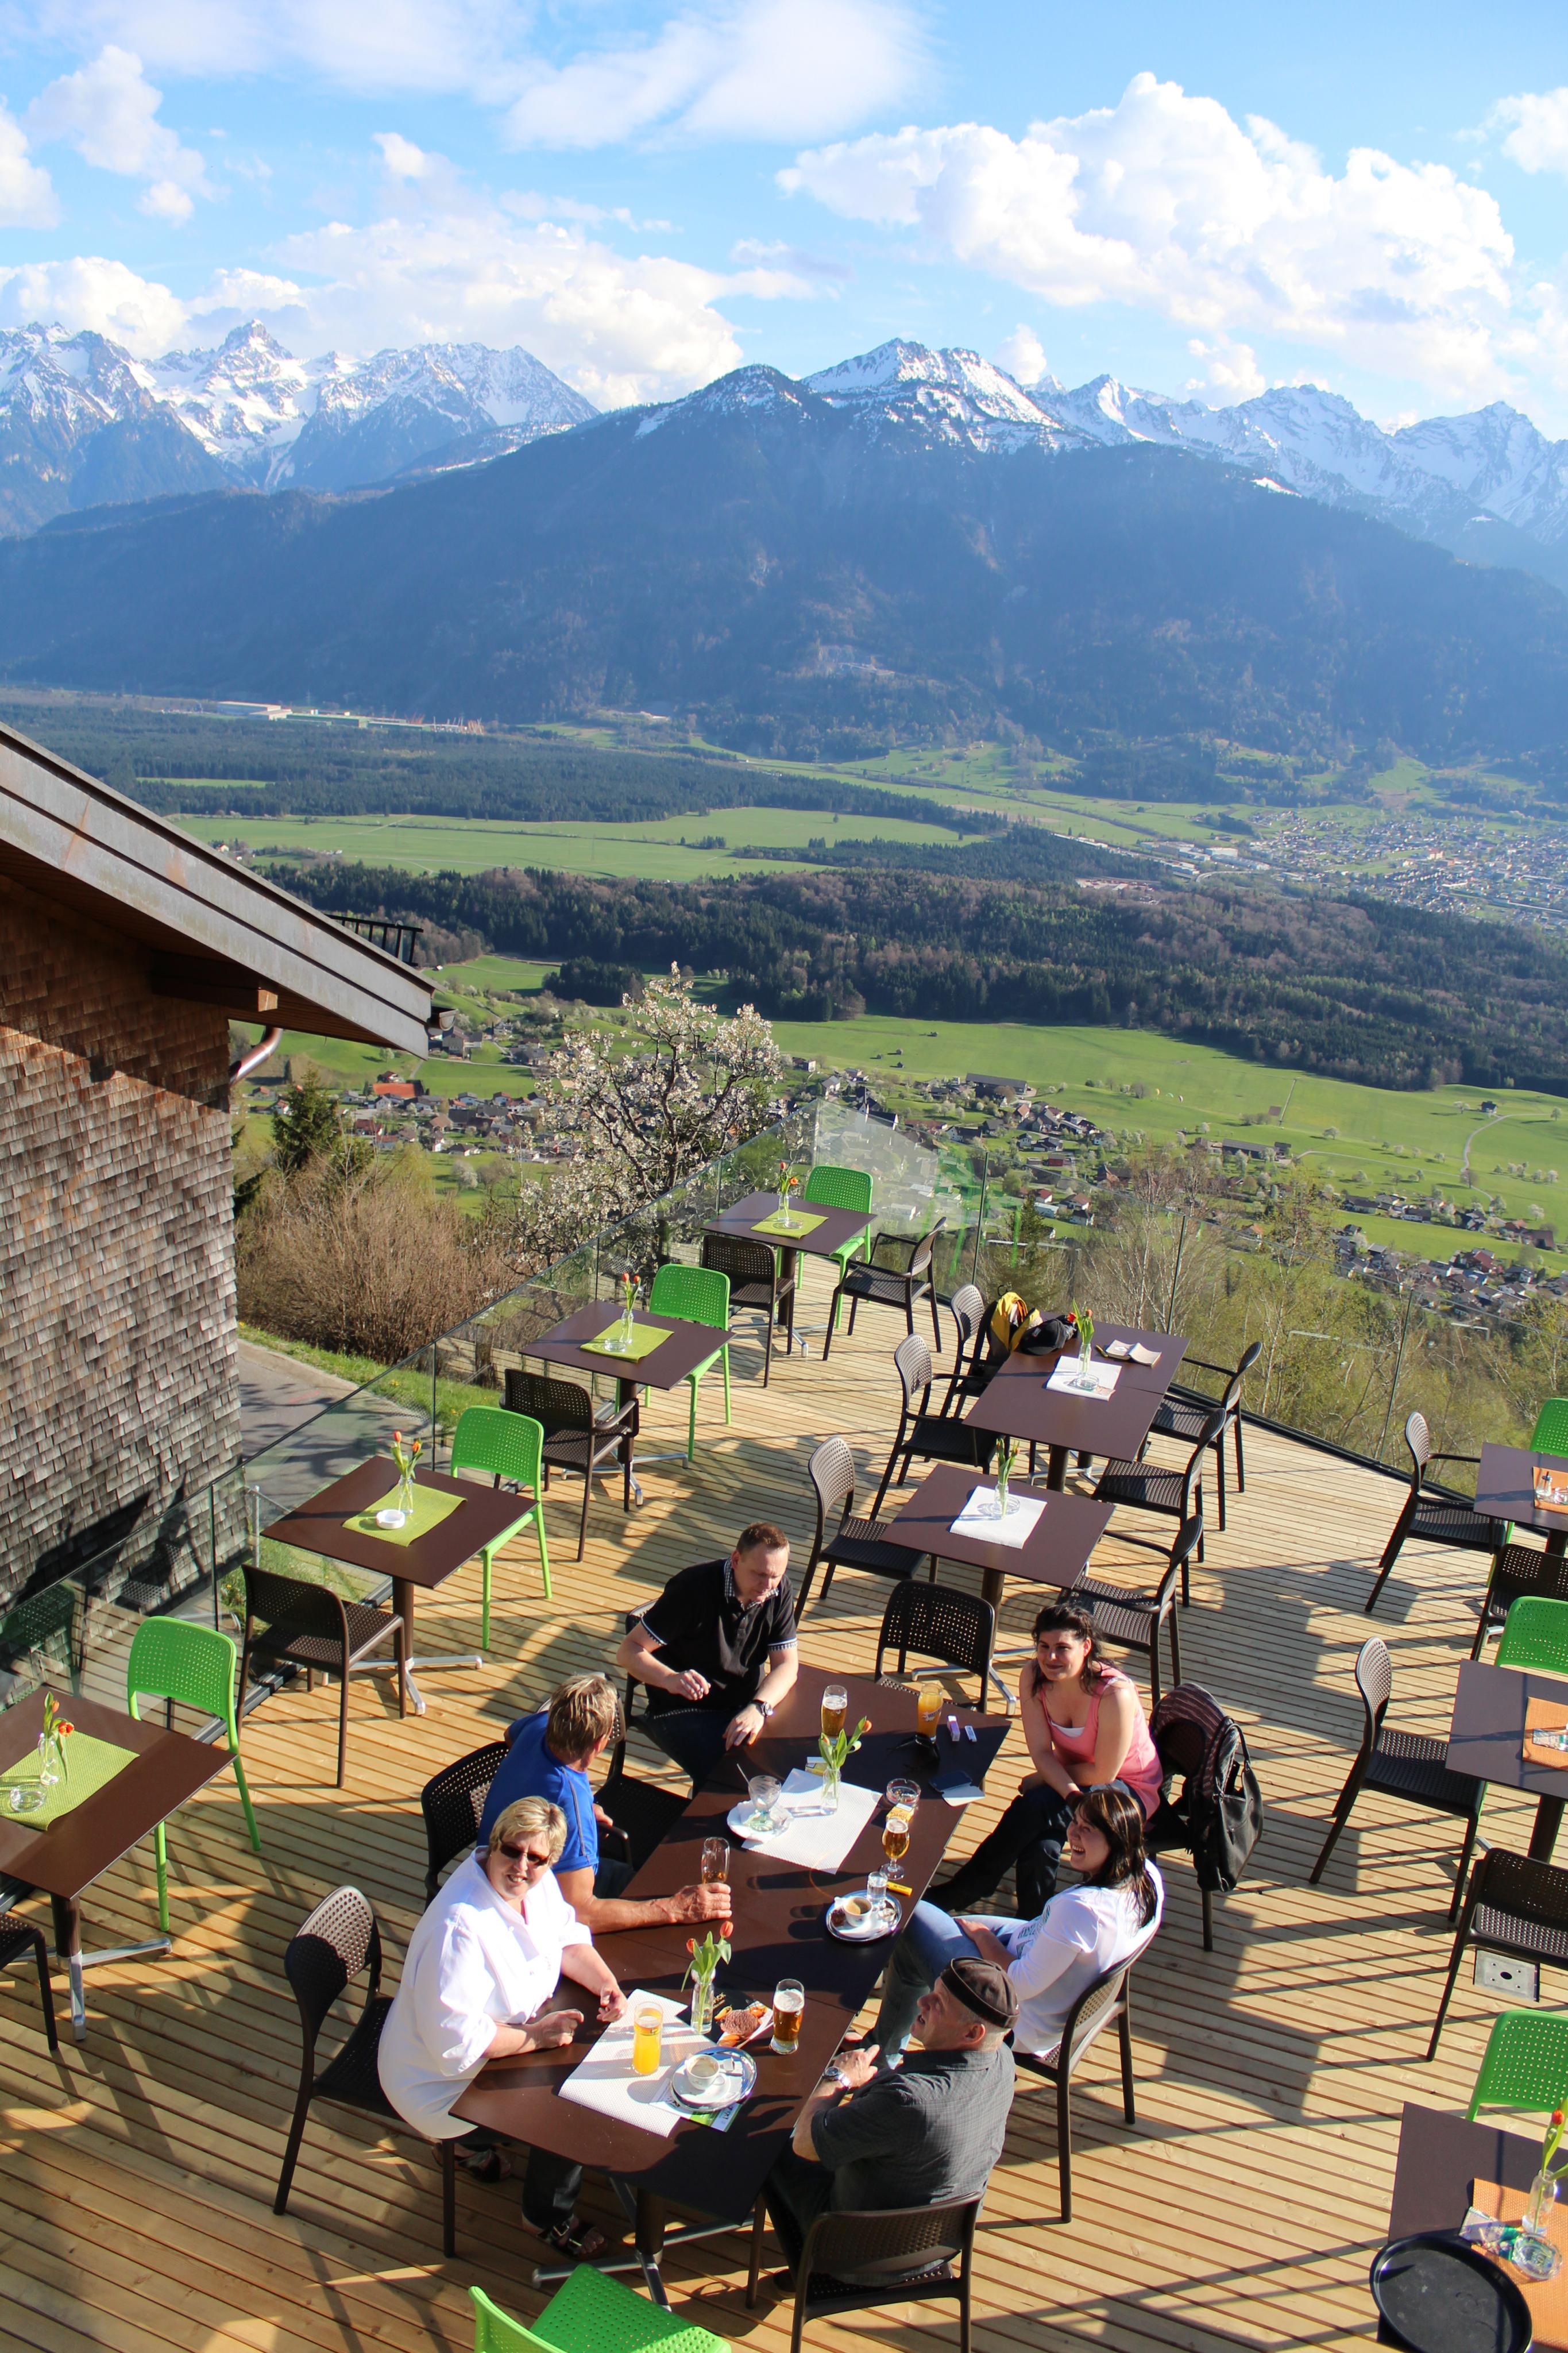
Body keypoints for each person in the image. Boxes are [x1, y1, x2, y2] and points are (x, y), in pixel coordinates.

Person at [379, 1793, 626, 2258]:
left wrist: (606, 1983)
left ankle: (467, 2152)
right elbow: (456, 2045)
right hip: (443, 2085)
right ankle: (545, 2216)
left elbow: (567, 1937)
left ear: (551, 1861)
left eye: (536, 1858)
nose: (521, 1866)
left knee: (587, 2061)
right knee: (574, 2103)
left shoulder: (539, 1886)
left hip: (500, 2041)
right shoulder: (460, 1927)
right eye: (512, 1850)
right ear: (494, 1844)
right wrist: (537, 2037)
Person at [760, 1954, 1017, 2287]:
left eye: (938, 2004)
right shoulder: (1003, 2062)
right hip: (941, 2241)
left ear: (972, 2033)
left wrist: (839, 2077)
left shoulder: (909, 2101)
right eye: (932, 1990)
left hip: (857, 2254)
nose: (923, 2001)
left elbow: (806, 2144)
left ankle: (807, 2266)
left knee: (769, 2134)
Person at [871, 1784, 1163, 2061]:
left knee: (913, 1920)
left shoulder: (1082, 1911)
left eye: (1088, 1830)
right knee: (934, 1927)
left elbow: (1019, 1985)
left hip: (1019, 2019)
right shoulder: (1147, 1876)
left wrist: (985, 1938)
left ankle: (884, 2054)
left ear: (1116, 1841)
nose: (1073, 1833)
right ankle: (891, 2040)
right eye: (1075, 1822)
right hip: (1030, 1948)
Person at [930, 1600, 1164, 1916]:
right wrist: (1068, 1792)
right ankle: (1031, 1921)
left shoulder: (1114, 1694)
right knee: (1043, 1845)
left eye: (1062, 1648)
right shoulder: (1032, 1676)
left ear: (1086, 1647)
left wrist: (1046, 1780)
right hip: (1072, 1778)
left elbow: (1105, 1772)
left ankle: (970, 1887)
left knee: (1037, 1805)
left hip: (1128, 1788)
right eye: (1044, 1647)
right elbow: (1041, 1752)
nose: (1051, 1658)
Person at [474, 1673, 733, 1934]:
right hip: (520, 1901)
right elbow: (581, 1913)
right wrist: (674, 1909)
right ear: (600, 1743)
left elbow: (511, 1735)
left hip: (494, 1863)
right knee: (651, 1890)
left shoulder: (539, 1726)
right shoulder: (571, 1804)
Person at [615, 1522, 800, 1793]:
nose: (768, 1586)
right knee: (730, 1783)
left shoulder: (778, 1590)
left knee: (786, 1765)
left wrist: (759, 1707)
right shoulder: (692, 1589)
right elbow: (628, 1651)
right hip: (684, 1710)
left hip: (746, 1705)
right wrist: (669, 1679)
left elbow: (787, 1665)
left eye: (776, 1576)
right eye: (760, 1575)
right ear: (736, 1560)